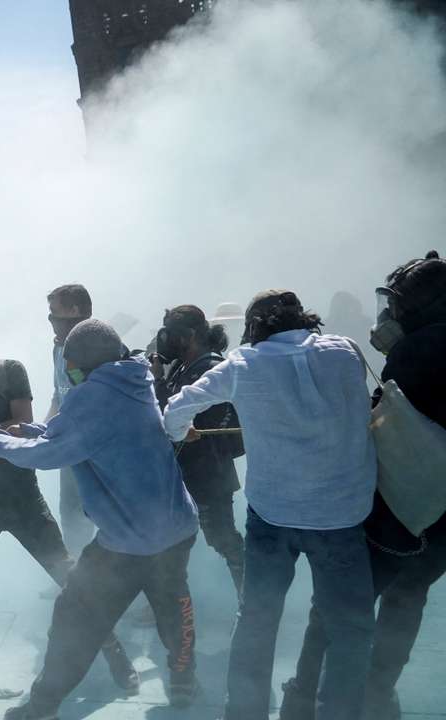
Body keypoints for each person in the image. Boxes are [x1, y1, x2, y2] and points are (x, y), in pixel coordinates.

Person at [0, 320, 199, 719]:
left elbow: (47, 454)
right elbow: (74, 431)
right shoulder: (133, 380)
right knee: (175, 612)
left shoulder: (92, 397)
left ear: (85, 362)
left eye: (70, 362)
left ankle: (41, 708)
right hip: (175, 528)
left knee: (74, 620)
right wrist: (34, 428)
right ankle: (184, 685)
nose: (67, 368)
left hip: (127, 543)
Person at [163, 290, 377, 720]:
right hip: (341, 514)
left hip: (274, 515)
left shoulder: (243, 364)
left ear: (253, 329)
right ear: (304, 320)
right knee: (351, 630)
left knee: (257, 622)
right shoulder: (346, 351)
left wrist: (182, 431)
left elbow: (175, 410)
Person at [0, 302, 138, 696]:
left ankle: (116, 655)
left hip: (20, 498)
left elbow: (24, 428)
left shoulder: (9, 371)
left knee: (70, 577)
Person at [281, 252, 446, 720]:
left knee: (335, 602)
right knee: (408, 598)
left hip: (397, 511)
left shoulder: (418, 349)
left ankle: (305, 695)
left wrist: (396, 351)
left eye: (399, 304)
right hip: (442, 519)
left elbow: (383, 411)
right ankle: (378, 692)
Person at [151, 305, 246, 596]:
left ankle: (250, 598)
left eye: (171, 333)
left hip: (208, 474)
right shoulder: (183, 365)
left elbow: (180, 415)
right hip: (182, 471)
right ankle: (166, 598)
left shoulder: (213, 367)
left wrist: (157, 380)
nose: (165, 340)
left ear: (190, 335)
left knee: (223, 539)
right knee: (166, 538)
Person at [45, 284, 96, 557]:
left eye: (54, 312)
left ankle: (118, 578)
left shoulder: (101, 345)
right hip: (69, 445)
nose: (50, 319)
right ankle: (77, 574)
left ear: (74, 310)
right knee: (71, 510)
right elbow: (59, 394)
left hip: (99, 446)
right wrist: (43, 429)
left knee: (104, 509)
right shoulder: (58, 349)